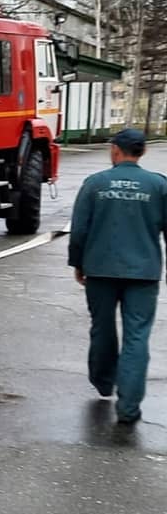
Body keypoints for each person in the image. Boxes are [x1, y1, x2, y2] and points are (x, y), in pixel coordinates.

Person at [68, 128, 167, 425]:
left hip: (100, 270)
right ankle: (129, 408)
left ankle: (103, 382)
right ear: (142, 152)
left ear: (114, 150)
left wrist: (78, 264)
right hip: (144, 273)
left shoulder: (95, 184)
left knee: (102, 328)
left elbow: (79, 230)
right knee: (137, 337)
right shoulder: (158, 185)